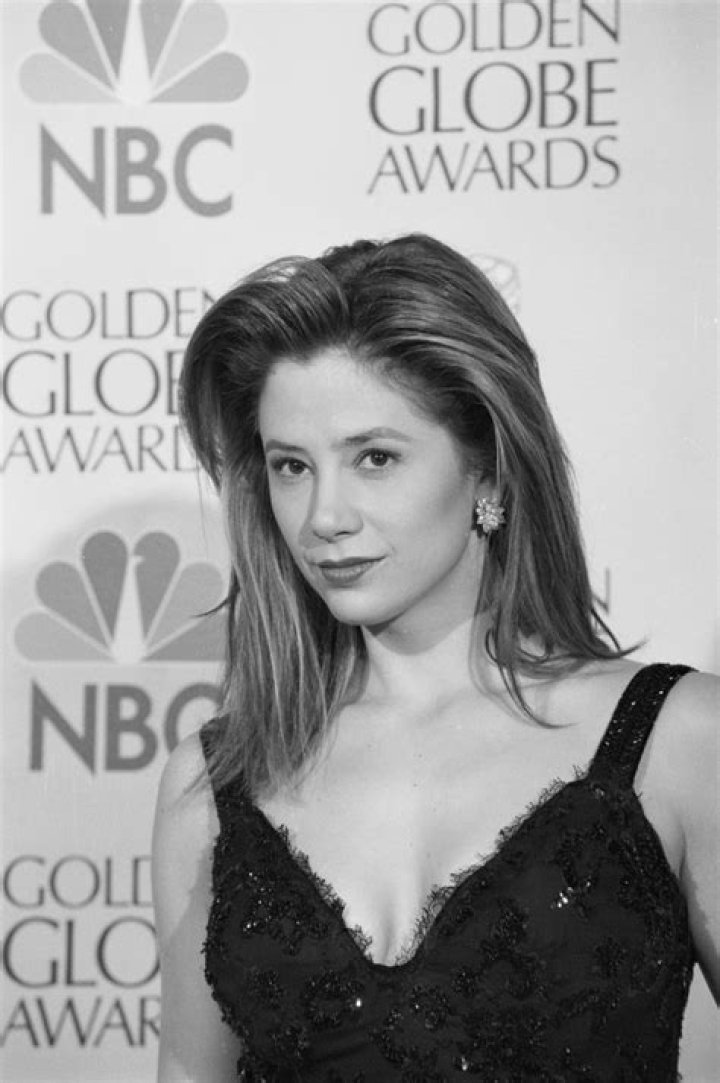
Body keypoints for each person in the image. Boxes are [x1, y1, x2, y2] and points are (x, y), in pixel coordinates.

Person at [152, 234, 718, 1082]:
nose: (323, 516)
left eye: (374, 458)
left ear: (487, 467)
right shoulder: (216, 780)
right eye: (291, 466)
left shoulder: (680, 740)